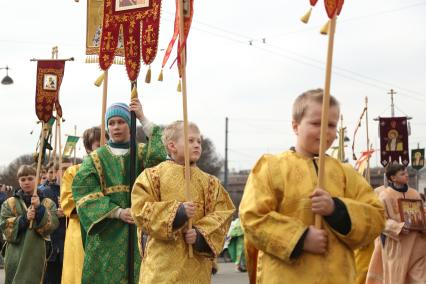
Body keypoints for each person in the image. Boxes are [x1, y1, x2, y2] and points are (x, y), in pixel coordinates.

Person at [239, 89, 385, 284]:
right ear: (295, 126)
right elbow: (252, 217)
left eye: (331, 125)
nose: (325, 131)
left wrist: (337, 209)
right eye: (316, 123)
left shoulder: (346, 173)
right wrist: (300, 238)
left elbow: (376, 216)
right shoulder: (272, 168)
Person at [72, 98, 167, 284]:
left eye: (122, 121)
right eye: (111, 123)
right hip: (107, 232)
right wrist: (118, 212)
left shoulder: (141, 153)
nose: (116, 127)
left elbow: (160, 153)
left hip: (140, 229)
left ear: (130, 124)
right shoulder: (95, 159)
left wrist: (142, 117)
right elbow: (84, 192)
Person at [131, 120, 235, 283]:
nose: (197, 145)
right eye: (190, 140)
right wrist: (178, 212)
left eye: (199, 141)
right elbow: (140, 210)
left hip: (196, 269)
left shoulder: (211, 183)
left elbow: (224, 213)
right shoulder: (152, 177)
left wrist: (201, 234)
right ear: (172, 146)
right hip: (161, 268)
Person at [366, 164, 426, 284]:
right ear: (393, 178)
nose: (407, 175)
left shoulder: (414, 194)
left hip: (417, 245)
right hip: (397, 247)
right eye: (402, 174)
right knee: (396, 280)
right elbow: (381, 221)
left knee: (420, 280)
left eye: (406, 173)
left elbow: (422, 213)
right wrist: (398, 227)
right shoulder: (385, 196)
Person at [0, 165, 59, 284]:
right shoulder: (9, 203)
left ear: (36, 179)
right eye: (23, 179)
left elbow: (51, 226)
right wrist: (24, 219)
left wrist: (39, 209)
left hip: (36, 254)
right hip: (15, 254)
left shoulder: (48, 203)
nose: (26, 182)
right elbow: (4, 226)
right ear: (19, 181)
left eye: (30, 178)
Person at [60, 126, 101, 284]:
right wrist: (99, 207)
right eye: (98, 145)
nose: (103, 148)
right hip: (81, 231)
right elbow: (68, 203)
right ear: (88, 148)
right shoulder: (73, 172)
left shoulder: (114, 169)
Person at [42, 158, 72, 284]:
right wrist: (54, 214)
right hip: (52, 247)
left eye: (68, 168)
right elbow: (39, 216)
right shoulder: (44, 192)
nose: (66, 171)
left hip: (69, 244)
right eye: (63, 168)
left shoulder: (73, 190)